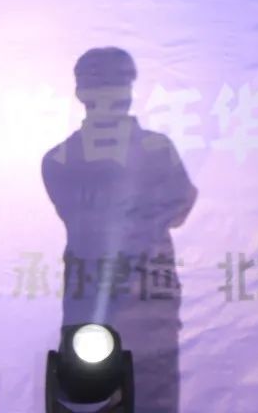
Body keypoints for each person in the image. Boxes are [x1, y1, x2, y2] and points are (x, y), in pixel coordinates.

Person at [41, 47, 197, 412]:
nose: (110, 94)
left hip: (151, 300)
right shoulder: (60, 158)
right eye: (100, 84)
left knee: (156, 397)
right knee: (86, 398)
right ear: (81, 92)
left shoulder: (158, 150)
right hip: (89, 299)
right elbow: (80, 216)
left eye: (118, 84)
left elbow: (180, 206)